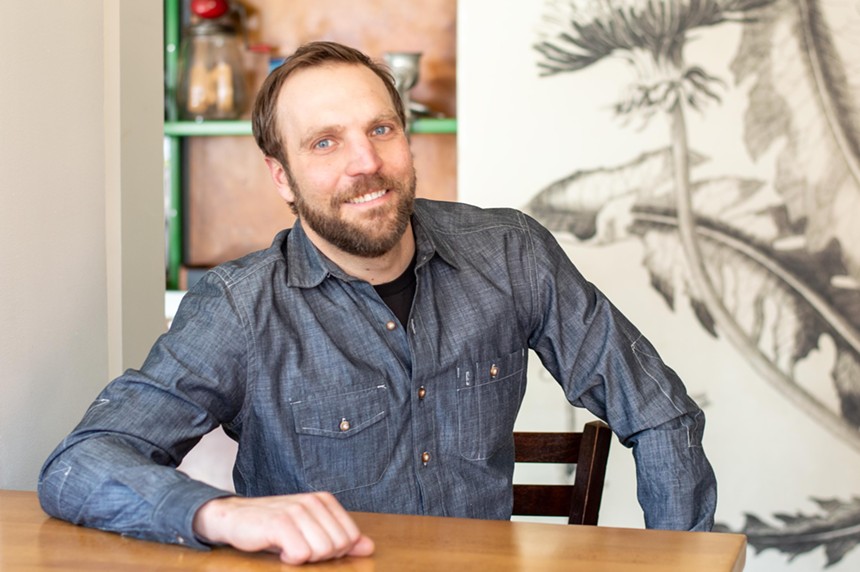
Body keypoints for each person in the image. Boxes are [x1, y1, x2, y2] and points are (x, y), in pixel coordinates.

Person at [38, 41, 717, 565]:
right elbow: (81, 463)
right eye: (325, 142)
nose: (365, 162)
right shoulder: (237, 308)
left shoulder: (511, 253)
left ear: (405, 135)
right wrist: (220, 516)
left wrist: (687, 563)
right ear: (282, 175)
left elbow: (658, 412)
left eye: (381, 130)